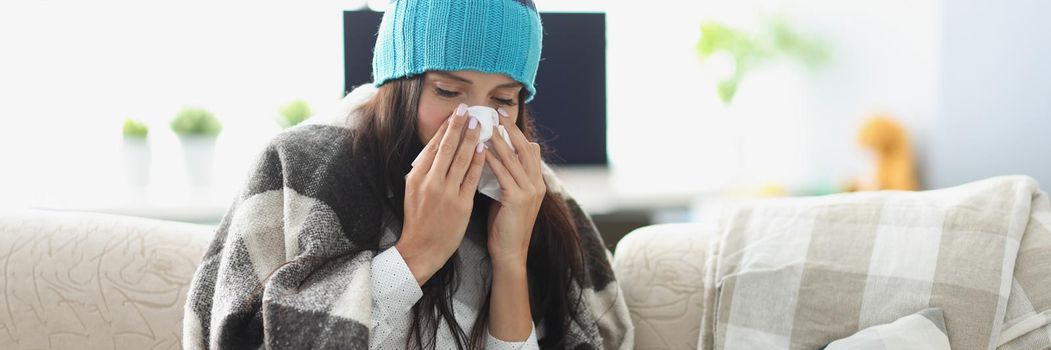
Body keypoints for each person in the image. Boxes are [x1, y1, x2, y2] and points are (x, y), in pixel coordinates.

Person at [182, 0, 634, 349]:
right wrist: (417, 253)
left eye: (502, 100)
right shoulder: (301, 168)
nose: (475, 121)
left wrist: (510, 261)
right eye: (447, 90)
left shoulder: (533, 196)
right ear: (399, 85)